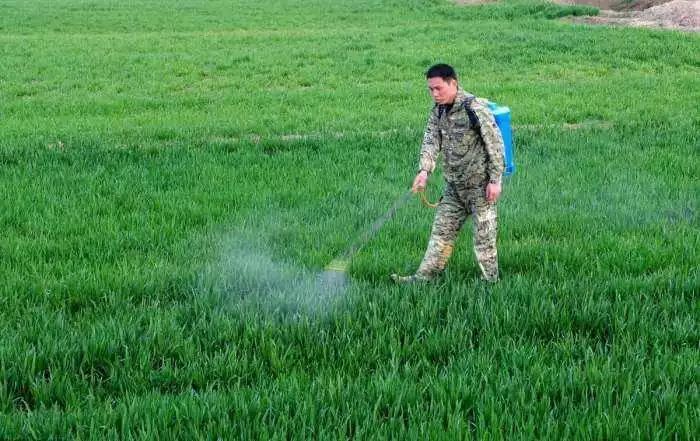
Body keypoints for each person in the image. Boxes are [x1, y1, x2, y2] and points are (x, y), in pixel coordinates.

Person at [391, 63, 505, 284]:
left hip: (480, 188)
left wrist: (495, 180)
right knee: (440, 236)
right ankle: (423, 279)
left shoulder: (475, 108)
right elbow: (432, 140)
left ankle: (492, 283)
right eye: (430, 89)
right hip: (453, 189)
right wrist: (424, 170)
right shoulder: (439, 110)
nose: (434, 94)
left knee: (484, 241)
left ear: (453, 83)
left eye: (438, 88)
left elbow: (496, 144)